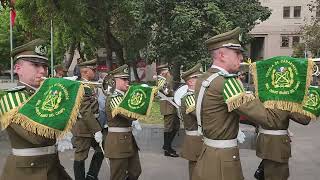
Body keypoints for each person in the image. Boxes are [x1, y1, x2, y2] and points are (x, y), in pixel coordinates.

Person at [0, 39, 71, 180]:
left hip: (53, 167)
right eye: (35, 65)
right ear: (17, 69)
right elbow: (36, 136)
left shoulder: (45, 95)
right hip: (26, 173)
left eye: (44, 66)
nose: (43, 71)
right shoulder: (12, 98)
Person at [104, 64, 142, 180]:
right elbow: (129, 115)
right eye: (124, 79)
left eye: (127, 79)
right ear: (114, 81)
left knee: (135, 171)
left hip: (128, 140)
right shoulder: (114, 97)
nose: (127, 82)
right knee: (118, 176)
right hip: (117, 142)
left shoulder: (124, 96)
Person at [72, 59, 104, 180]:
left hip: (91, 125)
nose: (96, 72)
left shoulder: (90, 84)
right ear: (85, 72)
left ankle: (91, 176)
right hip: (83, 127)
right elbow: (85, 111)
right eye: (93, 70)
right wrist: (96, 130)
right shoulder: (82, 86)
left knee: (101, 149)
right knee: (81, 155)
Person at [179, 63, 203, 180]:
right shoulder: (189, 97)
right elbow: (200, 115)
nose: (200, 80)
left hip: (199, 138)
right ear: (190, 82)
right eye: (197, 77)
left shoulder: (196, 96)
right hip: (195, 139)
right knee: (196, 173)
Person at [157, 63, 180, 157]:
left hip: (171, 105)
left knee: (176, 126)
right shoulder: (161, 80)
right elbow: (167, 92)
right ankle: (167, 148)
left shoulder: (166, 79)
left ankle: (167, 146)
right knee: (169, 127)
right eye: (166, 71)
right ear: (163, 72)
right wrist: (175, 93)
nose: (168, 72)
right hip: (167, 106)